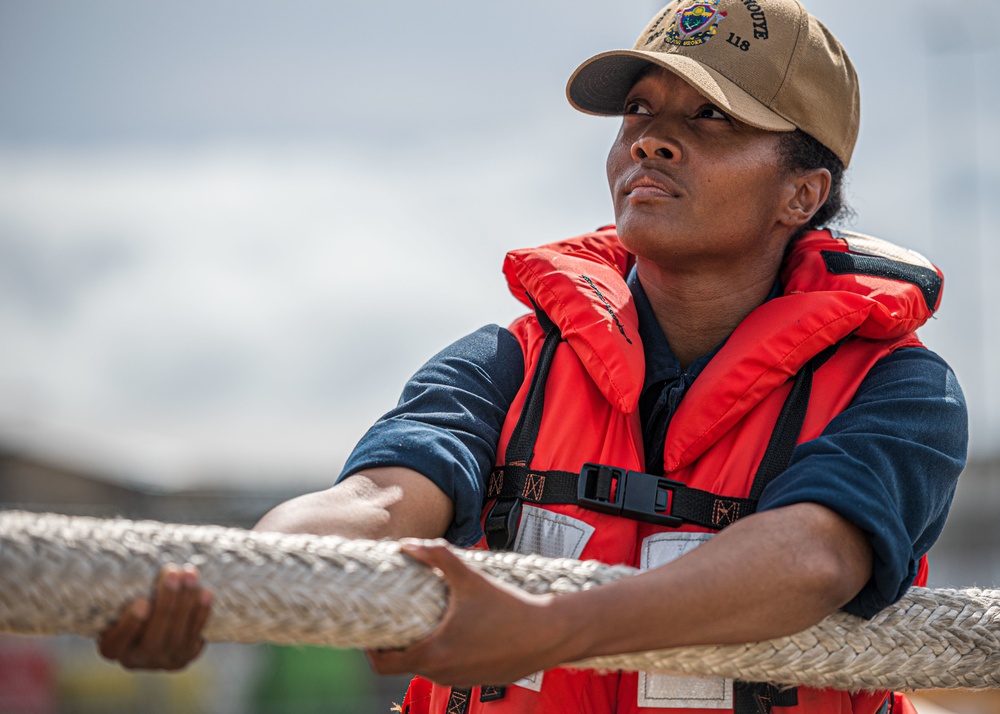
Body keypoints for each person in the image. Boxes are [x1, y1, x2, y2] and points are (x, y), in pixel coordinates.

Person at [97, 0, 968, 712]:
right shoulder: (508, 363)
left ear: (803, 193)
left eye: (710, 116)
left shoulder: (901, 389)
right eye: (639, 110)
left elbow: (813, 557)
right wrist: (221, 584)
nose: (651, 140)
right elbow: (373, 501)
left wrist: (552, 625)